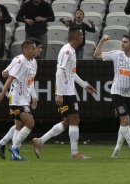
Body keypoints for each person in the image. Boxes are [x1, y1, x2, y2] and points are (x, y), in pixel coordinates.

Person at [32, 26, 96, 159]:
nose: (83, 38)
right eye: (82, 36)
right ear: (77, 37)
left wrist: (84, 85)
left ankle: (40, 141)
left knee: (67, 121)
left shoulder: (71, 51)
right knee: (75, 119)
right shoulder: (67, 51)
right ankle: (74, 153)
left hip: (68, 90)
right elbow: (60, 71)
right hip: (65, 91)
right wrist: (59, 92)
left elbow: (71, 72)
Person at [94, 34, 130, 158]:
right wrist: (102, 41)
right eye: (122, 41)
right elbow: (97, 55)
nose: (122, 44)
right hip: (117, 92)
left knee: (125, 123)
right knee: (125, 120)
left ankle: (116, 151)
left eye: (125, 42)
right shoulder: (116, 54)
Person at [0, 38, 42, 160]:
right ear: (25, 50)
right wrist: (2, 93)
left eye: (35, 48)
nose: (35, 50)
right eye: (33, 48)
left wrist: (34, 95)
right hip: (16, 97)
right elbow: (8, 76)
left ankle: (3, 144)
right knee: (30, 123)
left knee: (19, 126)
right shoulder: (20, 60)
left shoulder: (33, 62)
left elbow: (30, 80)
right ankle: (14, 149)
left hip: (25, 98)